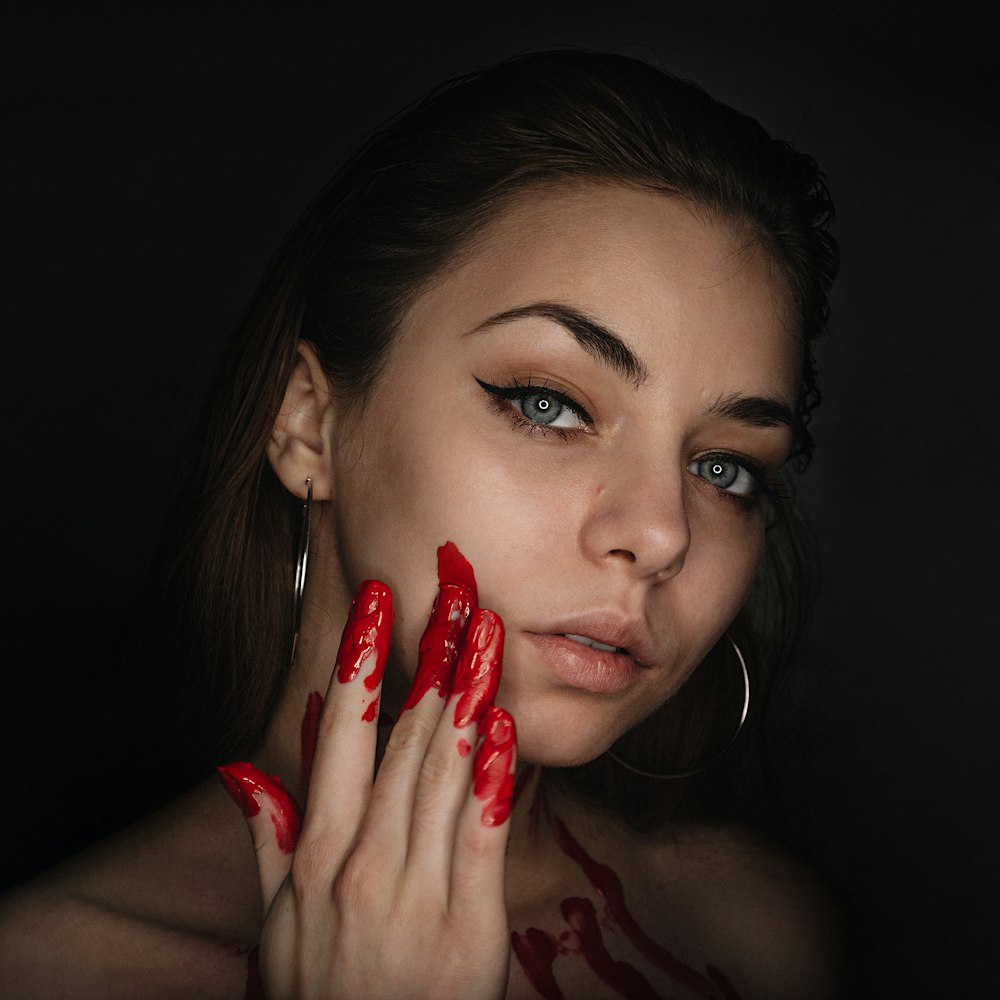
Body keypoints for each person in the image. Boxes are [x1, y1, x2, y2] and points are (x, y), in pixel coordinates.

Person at [0, 49, 841, 998]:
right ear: (310, 423)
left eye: (723, 467)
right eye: (547, 405)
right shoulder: (48, 970)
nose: (661, 534)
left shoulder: (760, 937)